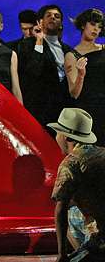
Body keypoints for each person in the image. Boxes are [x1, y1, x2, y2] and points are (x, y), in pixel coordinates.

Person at [48, 108, 105, 262]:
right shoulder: (102, 153)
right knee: (74, 212)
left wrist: (62, 254)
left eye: (58, 132)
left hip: (102, 236)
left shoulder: (71, 164)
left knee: (67, 211)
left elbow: (60, 210)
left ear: (66, 137)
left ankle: (92, 251)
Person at [18, 4, 71, 131]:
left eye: (57, 16)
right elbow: (33, 72)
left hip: (61, 112)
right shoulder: (27, 45)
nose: (53, 17)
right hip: (37, 110)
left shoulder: (68, 50)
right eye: (48, 15)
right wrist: (39, 41)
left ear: (61, 24)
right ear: (40, 22)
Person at [64, 8, 105, 147]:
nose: (96, 29)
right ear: (83, 24)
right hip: (89, 112)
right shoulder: (72, 56)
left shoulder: (103, 49)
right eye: (93, 24)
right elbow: (74, 93)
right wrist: (81, 74)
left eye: (99, 27)